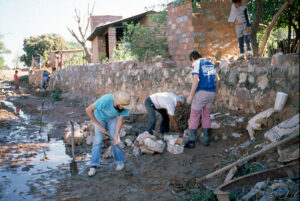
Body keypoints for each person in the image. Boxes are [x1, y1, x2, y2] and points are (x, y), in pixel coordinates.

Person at [86, 91, 134, 177]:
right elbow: (88, 110)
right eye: (123, 106)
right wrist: (98, 125)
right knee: (98, 140)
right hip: (99, 117)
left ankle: (120, 162)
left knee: (116, 140)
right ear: (117, 103)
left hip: (112, 119)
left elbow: (120, 121)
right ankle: (93, 165)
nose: (124, 108)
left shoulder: (125, 105)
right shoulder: (106, 100)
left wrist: (115, 136)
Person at [185, 51, 220, 148]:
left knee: (194, 115)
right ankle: (206, 139)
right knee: (206, 116)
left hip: (201, 93)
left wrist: (191, 96)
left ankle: (191, 141)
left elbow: (196, 80)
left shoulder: (196, 63)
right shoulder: (211, 64)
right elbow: (217, 80)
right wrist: (216, 94)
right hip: (211, 93)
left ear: (192, 58)